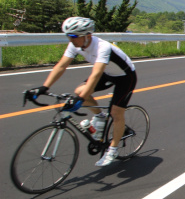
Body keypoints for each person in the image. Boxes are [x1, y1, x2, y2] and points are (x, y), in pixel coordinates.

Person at [25, 17, 137, 167]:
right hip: (108, 73)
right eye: (68, 36)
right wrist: (44, 87)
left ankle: (113, 149)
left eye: (73, 36)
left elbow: (96, 74)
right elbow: (61, 66)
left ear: (87, 36)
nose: (70, 40)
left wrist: (80, 99)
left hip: (125, 76)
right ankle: (100, 116)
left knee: (116, 112)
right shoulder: (75, 45)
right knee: (79, 90)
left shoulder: (102, 47)